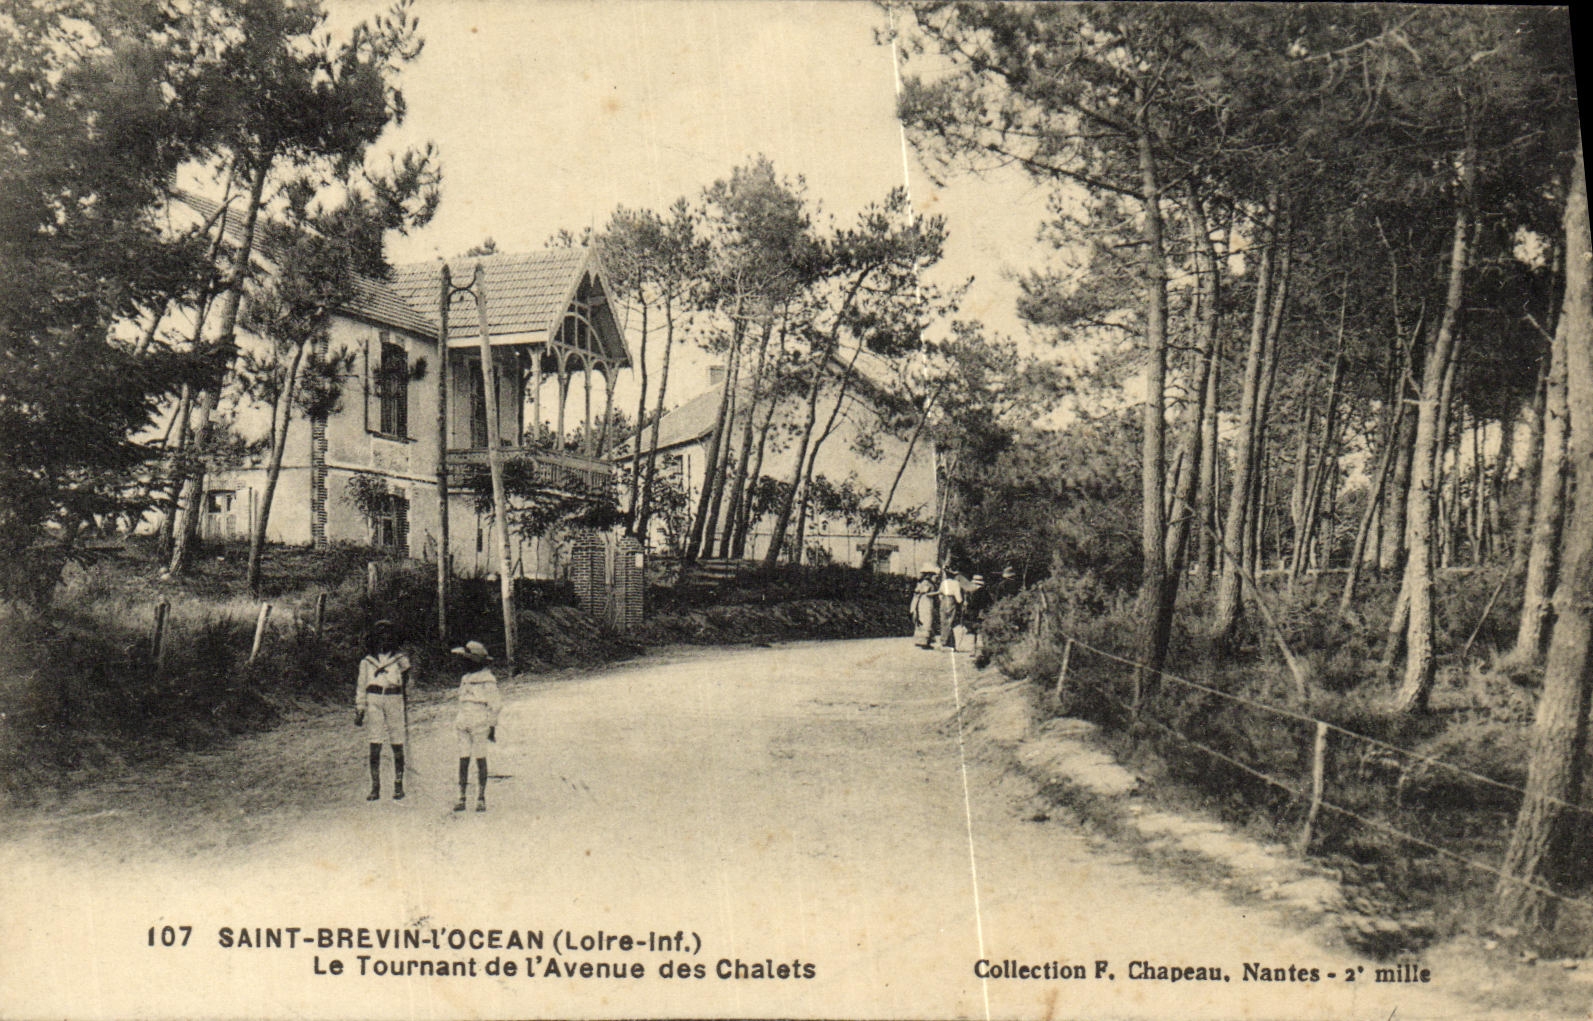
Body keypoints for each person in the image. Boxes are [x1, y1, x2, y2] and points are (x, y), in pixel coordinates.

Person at [355, 620, 410, 801]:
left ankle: (398, 785)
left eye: (388, 635)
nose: (384, 638)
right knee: (375, 742)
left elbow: (407, 681)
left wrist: (405, 681)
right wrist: (360, 708)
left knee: (397, 740)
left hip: (394, 698)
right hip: (374, 699)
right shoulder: (367, 661)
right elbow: (361, 686)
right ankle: (375, 787)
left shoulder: (400, 659)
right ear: (374, 638)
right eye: (380, 635)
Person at [452, 640, 502, 813]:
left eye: (465, 660)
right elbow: (461, 700)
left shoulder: (488, 680)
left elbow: (495, 705)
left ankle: (481, 797)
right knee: (463, 758)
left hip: (479, 719)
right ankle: (462, 796)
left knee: (480, 758)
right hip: (463, 720)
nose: (462, 663)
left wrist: (492, 726)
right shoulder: (465, 679)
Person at [909, 565, 939, 649]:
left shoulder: (924, 582)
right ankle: (925, 643)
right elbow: (926, 593)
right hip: (926, 602)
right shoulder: (927, 582)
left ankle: (921, 641)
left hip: (924, 602)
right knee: (927, 621)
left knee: (924, 620)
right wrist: (938, 592)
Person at [963, 574, 990, 658]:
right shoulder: (985, 592)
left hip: (974, 614)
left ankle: (973, 650)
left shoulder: (973, 592)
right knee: (980, 632)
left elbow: (970, 604)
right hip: (981, 613)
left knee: (973, 632)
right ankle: (981, 651)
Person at [938, 565, 964, 651]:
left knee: (943, 621)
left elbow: (940, 593)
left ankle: (944, 641)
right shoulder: (956, 583)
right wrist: (960, 602)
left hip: (944, 601)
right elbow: (958, 596)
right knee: (950, 621)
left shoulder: (943, 583)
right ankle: (948, 642)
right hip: (951, 601)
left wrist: (942, 600)